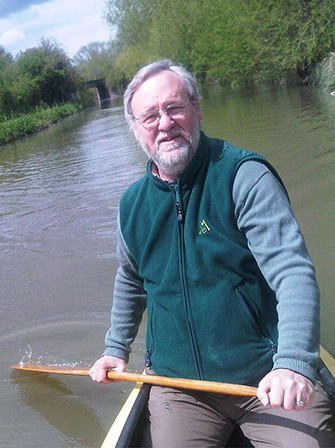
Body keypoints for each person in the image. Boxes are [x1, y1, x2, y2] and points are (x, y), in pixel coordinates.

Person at [89, 60, 335, 447]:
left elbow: (293, 273)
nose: (164, 123)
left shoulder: (243, 175)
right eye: (150, 115)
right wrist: (115, 348)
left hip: (266, 380)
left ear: (197, 109)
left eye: (174, 107)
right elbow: (130, 278)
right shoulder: (131, 205)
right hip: (180, 388)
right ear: (136, 129)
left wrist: (292, 363)